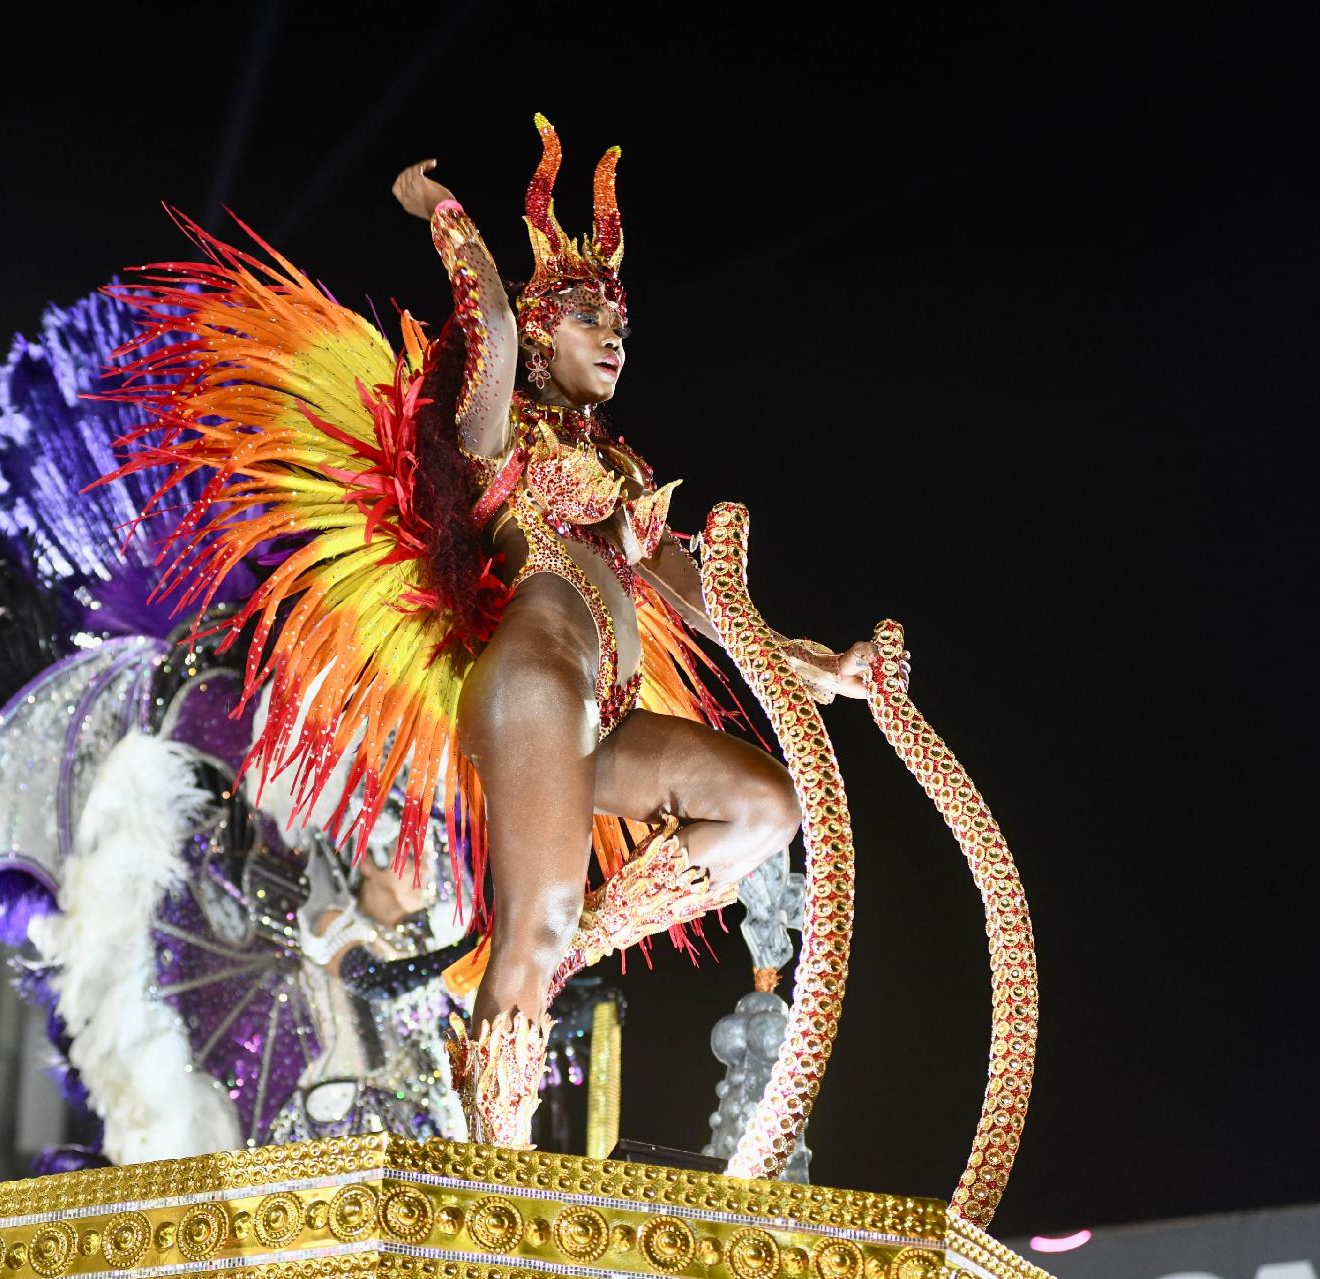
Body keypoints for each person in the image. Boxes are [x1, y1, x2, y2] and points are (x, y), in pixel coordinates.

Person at [99, 116, 884, 1149]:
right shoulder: (496, 426)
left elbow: (717, 605)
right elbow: (491, 334)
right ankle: (492, 1164)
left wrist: (825, 667)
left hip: (600, 722)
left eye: (622, 327)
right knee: (536, 922)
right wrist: (449, 221)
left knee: (762, 805)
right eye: (590, 321)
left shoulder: (629, 477)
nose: (613, 339)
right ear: (542, 329)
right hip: (532, 686)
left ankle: (558, 952)